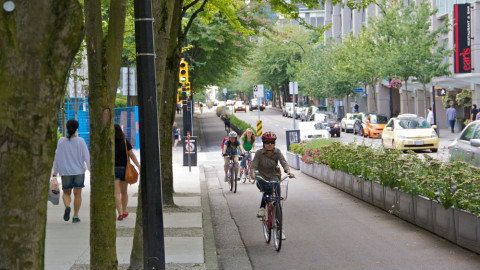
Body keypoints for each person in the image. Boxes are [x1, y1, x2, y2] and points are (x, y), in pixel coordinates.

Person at [251, 131, 293, 240]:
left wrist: (288, 171)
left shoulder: (277, 152)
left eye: (272, 142)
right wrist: (253, 173)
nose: (270, 144)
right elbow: (254, 165)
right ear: (264, 143)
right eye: (267, 142)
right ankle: (262, 208)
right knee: (268, 189)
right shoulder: (259, 153)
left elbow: (284, 162)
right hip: (261, 178)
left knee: (278, 202)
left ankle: (279, 230)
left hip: (274, 177)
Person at [53, 119, 90, 223]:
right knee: (78, 194)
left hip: (66, 172)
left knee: (66, 193)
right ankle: (75, 215)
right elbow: (87, 157)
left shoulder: (61, 141)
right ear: (76, 128)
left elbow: (57, 157)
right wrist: (91, 169)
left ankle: (67, 206)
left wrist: (55, 171)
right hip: (79, 171)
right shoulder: (81, 141)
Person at [114, 124, 140, 221]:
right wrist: (138, 166)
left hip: (113, 169)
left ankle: (119, 213)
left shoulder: (109, 143)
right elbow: (132, 155)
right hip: (124, 170)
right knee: (124, 192)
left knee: (116, 193)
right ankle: (124, 211)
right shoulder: (125, 142)